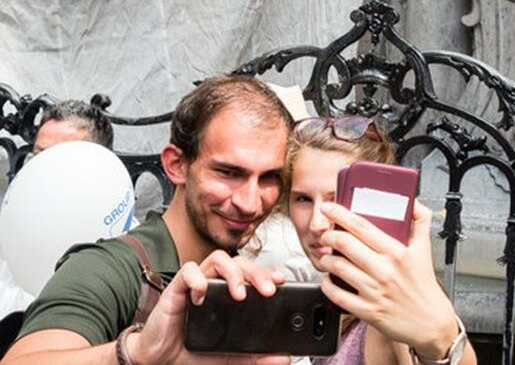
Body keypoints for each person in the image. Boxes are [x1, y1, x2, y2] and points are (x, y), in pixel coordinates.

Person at [2, 74, 295, 365]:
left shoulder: (246, 281)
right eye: (229, 173)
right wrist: (135, 351)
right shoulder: (109, 268)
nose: (250, 202)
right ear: (176, 165)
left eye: (270, 177)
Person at [283, 116, 477, 365]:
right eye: (302, 199)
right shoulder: (338, 294)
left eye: (335, 198)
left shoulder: (390, 304)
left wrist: (440, 341)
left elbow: (435, 342)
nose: (316, 224)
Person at [0, 100, 115, 321]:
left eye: (58, 159)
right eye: (37, 156)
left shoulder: (119, 244)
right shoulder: (14, 227)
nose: (40, 170)